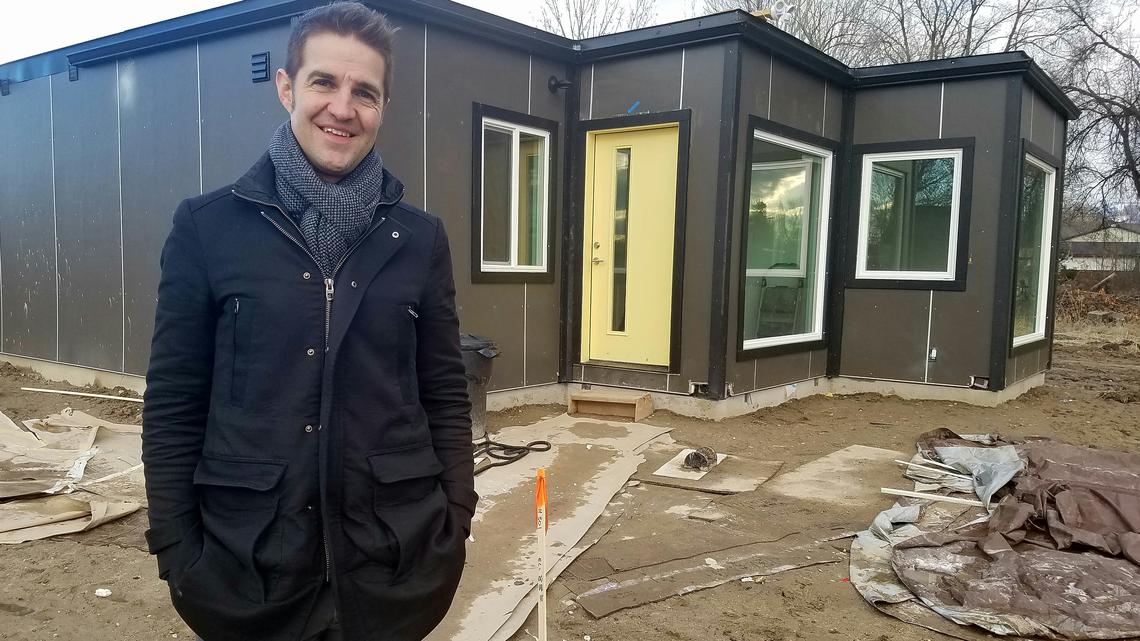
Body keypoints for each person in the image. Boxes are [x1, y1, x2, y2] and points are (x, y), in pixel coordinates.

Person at [141, 3, 476, 640]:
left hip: (393, 564)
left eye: (364, 92)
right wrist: (177, 546)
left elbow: (444, 392)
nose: (342, 108)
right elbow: (175, 401)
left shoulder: (420, 239)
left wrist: (454, 519)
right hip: (250, 567)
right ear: (287, 87)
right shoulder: (208, 229)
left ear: (383, 106)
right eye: (324, 82)